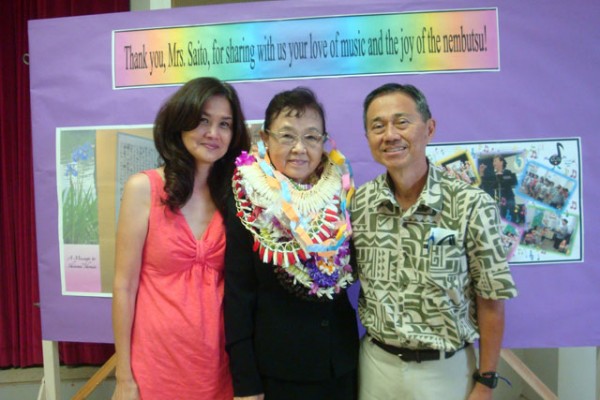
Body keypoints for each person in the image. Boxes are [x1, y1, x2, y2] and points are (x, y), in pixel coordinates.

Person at [350, 83, 518, 400]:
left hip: (447, 372)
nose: (390, 134)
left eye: (402, 121)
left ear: (429, 128)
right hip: (377, 368)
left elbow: (492, 300)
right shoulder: (359, 205)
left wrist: (486, 382)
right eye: (378, 126)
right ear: (369, 138)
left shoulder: (471, 205)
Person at [111, 77, 250, 400]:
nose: (213, 133)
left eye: (224, 124)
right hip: (154, 367)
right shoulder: (143, 188)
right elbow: (124, 286)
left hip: (218, 367)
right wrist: (123, 375)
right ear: (180, 122)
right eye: (203, 120)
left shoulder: (236, 196)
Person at [224, 87, 358, 400]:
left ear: (324, 142)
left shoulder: (342, 194)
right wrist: (246, 382)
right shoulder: (246, 201)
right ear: (265, 138)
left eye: (311, 137)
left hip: (339, 363)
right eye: (287, 136)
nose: (300, 148)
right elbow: (237, 296)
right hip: (279, 370)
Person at [479, 155, 518, 221]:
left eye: (495, 161)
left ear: (501, 162)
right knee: (501, 217)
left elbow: (513, 181)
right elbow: (484, 184)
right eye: (493, 161)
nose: (493, 163)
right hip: (499, 200)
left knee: (512, 216)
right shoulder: (493, 175)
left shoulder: (507, 172)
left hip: (509, 198)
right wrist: (481, 172)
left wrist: (502, 176)